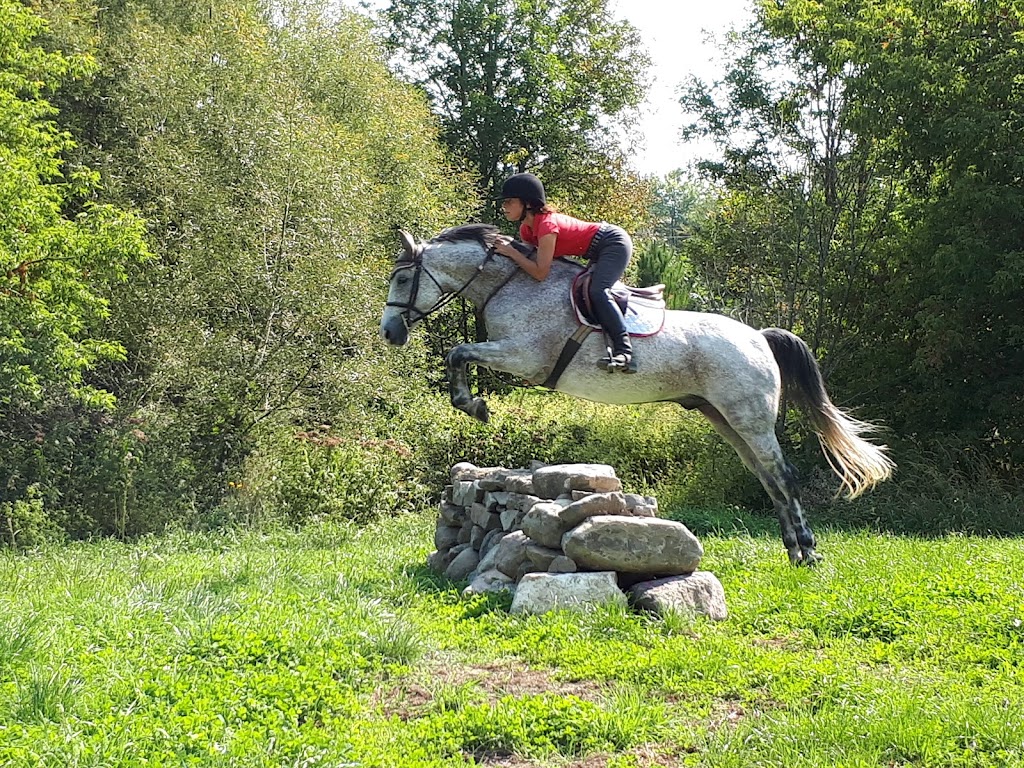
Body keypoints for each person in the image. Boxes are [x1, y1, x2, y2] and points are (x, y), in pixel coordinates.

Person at [492, 172, 636, 373]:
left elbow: (540, 272)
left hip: (613, 243)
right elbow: (530, 266)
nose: (504, 206)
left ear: (527, 203)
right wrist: (511, 251)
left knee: (597, 291)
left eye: (509, 201)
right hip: (595, 249)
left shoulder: (546, 226)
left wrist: (511, 251)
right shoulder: (527, 230)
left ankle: (625, 352)